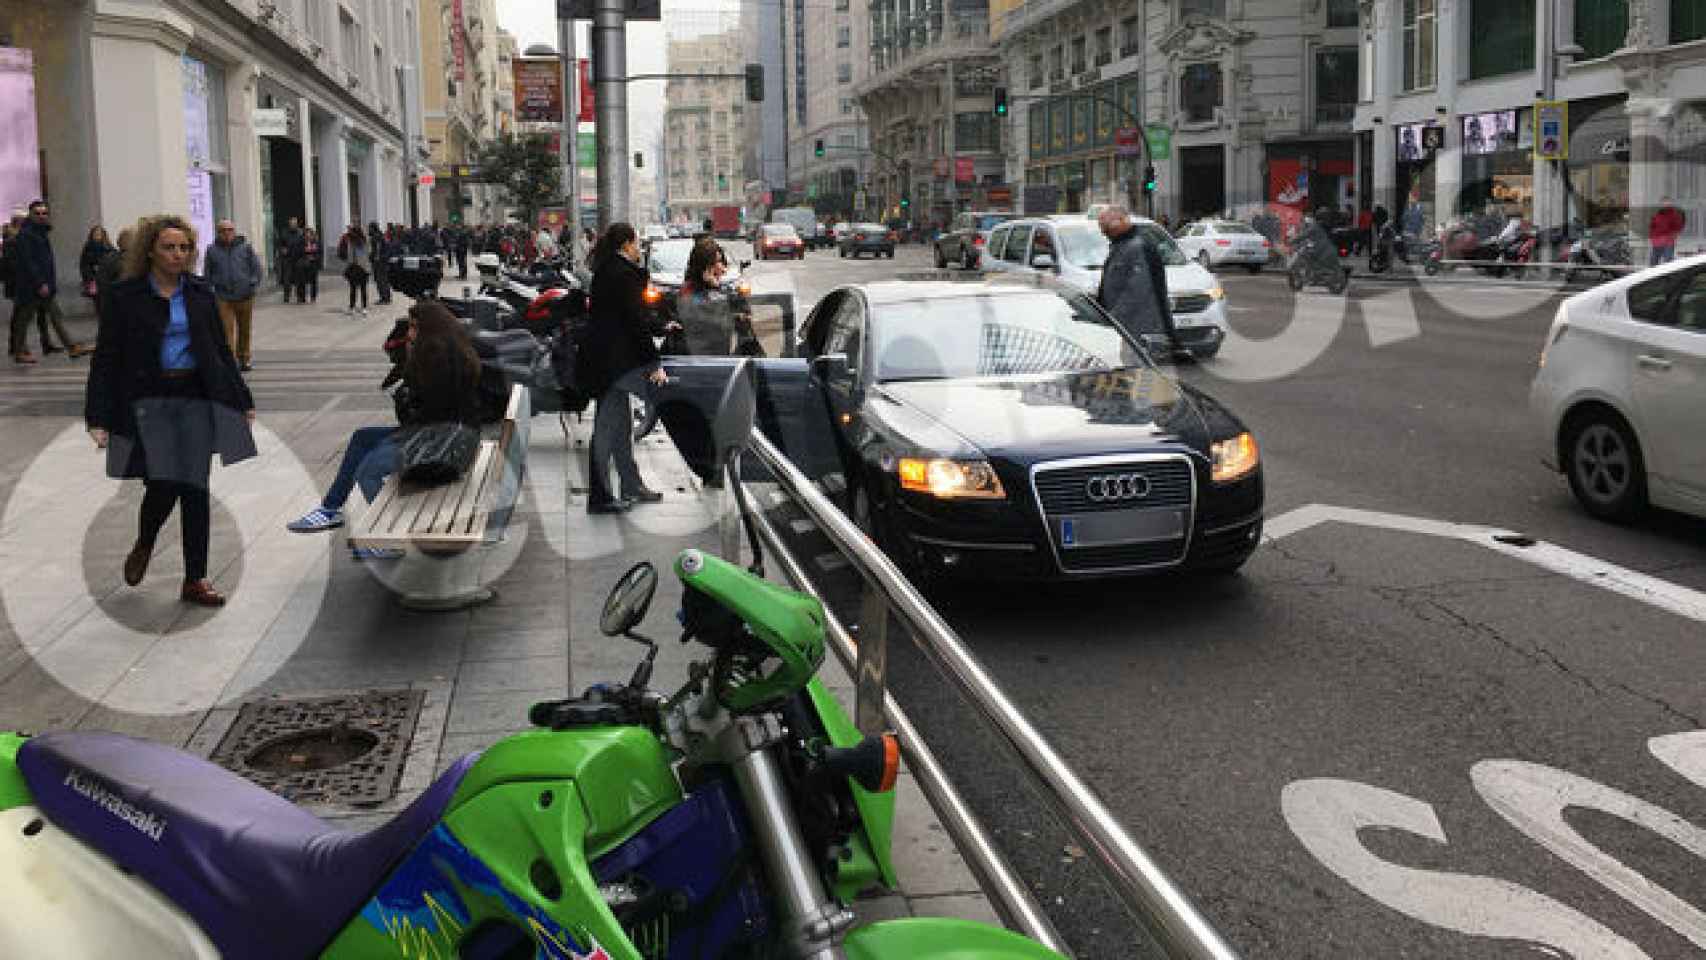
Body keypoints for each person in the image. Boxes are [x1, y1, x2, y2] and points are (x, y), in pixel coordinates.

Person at [85, 213, 257, 607]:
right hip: (150, 400)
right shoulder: (126, 296)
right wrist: (97, 416)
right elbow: (106, 358)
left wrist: (241, 399)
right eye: (169, 247)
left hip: (194, 395)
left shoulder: (198, 292)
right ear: (150, 251)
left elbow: (219, 351)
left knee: (196, 488)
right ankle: (145, 541)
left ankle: (195, 578)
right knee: (163, 483)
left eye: (184, 248)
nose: (178, 254)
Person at [284, 302, 482, 558]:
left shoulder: (440, 361)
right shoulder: (446, 352)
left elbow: (423, 416)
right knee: (362, 438)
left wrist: (406, 391)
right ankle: (330, 510)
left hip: (445, 450)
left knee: (368, 470)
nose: (409, 334)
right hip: (443, 439)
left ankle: (390, 537)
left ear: (430, 329)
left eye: (414, 327)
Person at [582, 223, 667, 514]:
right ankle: (600, 497)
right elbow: (634, 322)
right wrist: (653, 361)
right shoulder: (622, 275)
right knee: (606, 431)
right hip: (612, 365)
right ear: (626, 245)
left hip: (606, 362)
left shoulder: (608, 270)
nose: (639, 248)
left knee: (619, 430)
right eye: (636, 242)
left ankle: (631, 484)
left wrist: (661, 325)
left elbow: (630, 316)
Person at [1095, 205, 1178, 355]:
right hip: (1130, 330)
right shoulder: (1122, 246)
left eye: (1105, 227)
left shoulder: (1138, 247)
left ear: (1120, 221)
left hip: (1141, 331)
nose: (1102, 232)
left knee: (1140, 375)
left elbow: (1136, 292)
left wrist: (1111, 319)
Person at [13, 200, 90, 360]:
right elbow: (28, 262)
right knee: (24, 318)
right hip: (33, 286)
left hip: (44, 284)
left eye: (44, 213)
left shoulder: (41, 232)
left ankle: (71, 346)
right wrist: (40, 282)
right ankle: (20, 351)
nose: (42, 216)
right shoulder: (26, 234)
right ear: (31, 215)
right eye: (38, 213)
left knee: (54, 316)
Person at [202, 220, 264, 372]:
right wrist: (210, 289)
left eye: (230, 230)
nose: (227, 233)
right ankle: (230, 361)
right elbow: (207, 272)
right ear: (218, 233)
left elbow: (257, 268)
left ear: (234, 231)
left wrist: (252, 283)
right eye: (223, 230)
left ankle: (244, 358)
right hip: (223, 296)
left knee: (244, 329)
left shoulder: (245, 248)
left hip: (244, 295)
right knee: (226, 330)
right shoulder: (212, 250)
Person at [677, 239, 738, 356]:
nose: (721, 268)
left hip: (721, 355)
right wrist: (714, 287)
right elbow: (709, 322)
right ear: (704, 267)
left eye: (721, 261)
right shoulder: (688, 292)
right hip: (701, 358)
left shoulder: (721, 288)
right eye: (716, 262)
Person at [339, 224, 371, 316]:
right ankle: (364, 307)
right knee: (363, 289)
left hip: (355, 267)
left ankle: (352, 307)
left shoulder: (352, 242)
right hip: (364, 268)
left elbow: (350, 257)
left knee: (353, 289)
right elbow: (369, 252)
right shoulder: (366, 241)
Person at [79, 225, 116, 303]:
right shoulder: (88, 248)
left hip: (106, 281)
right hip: (94, 281)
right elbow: (84, 265)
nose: (98, 236)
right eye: (96, 234)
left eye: (99, 234)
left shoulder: (109, 248)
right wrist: (90, 279)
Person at [1650, 200, 1685, 266]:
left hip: (1668, 243)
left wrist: (1675, 235)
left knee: (1667, 264)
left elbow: (1679, 226)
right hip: (1656, 242)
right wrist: (1652, 237)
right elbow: (1652, 226)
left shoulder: (1674, 215)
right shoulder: (1656, 215)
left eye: (1667, 204)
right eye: (1664, 204)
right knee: (1653, 263)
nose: (1665, 206)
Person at [279, 216, 305, 303]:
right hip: (288, 259)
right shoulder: (285, 233)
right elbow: (280, 244)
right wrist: (283, 250)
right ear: (289, 224)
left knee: (299, 279)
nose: (293, 224)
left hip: (298, 258)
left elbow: (303, 245)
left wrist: (303, 256)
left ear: (297, 224)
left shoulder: (301, 233)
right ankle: (286, 296)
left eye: (295, 223)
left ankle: (299, 297)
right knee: (287, 279)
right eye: (292, 223)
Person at [369, 222, 392, 304]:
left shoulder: (376, 237)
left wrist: (374, 258)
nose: (369, 230)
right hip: (383, 261)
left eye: (370, 228)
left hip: (380, 262)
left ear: (373, 228)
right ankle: (386, 297)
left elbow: (377, 250)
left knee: (380, 280)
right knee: (383, 280)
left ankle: (384, 298)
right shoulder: (381, 236)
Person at [298, 227, 323, 303]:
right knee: (301, 280)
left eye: (310, 235)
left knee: (314, 281)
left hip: (313, 264)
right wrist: (305, 256)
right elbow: (298, 252)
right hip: (303, 264)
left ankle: (313, 297)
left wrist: (315, 257)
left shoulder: (317, 242)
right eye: (306, 235)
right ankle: (302, 297)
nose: (308, 236)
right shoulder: (301, 242)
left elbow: (320, 253)